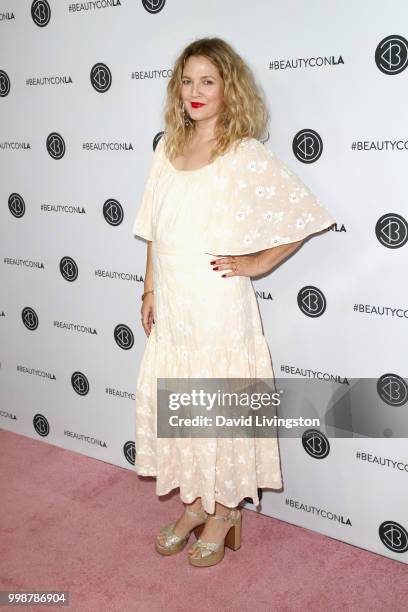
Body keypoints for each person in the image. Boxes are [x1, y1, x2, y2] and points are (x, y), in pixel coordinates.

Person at [132, 37, 336, 568]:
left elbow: (305, 214)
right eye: (186, 80)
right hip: (174, 302)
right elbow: (155, 228)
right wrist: (149, 287)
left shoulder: (241, 151)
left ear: (228, 89)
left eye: (208, 81)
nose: (195, 92)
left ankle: (225, 511)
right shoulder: (166, 147)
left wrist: (258, 263)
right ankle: (196, 504)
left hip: (218, 302)